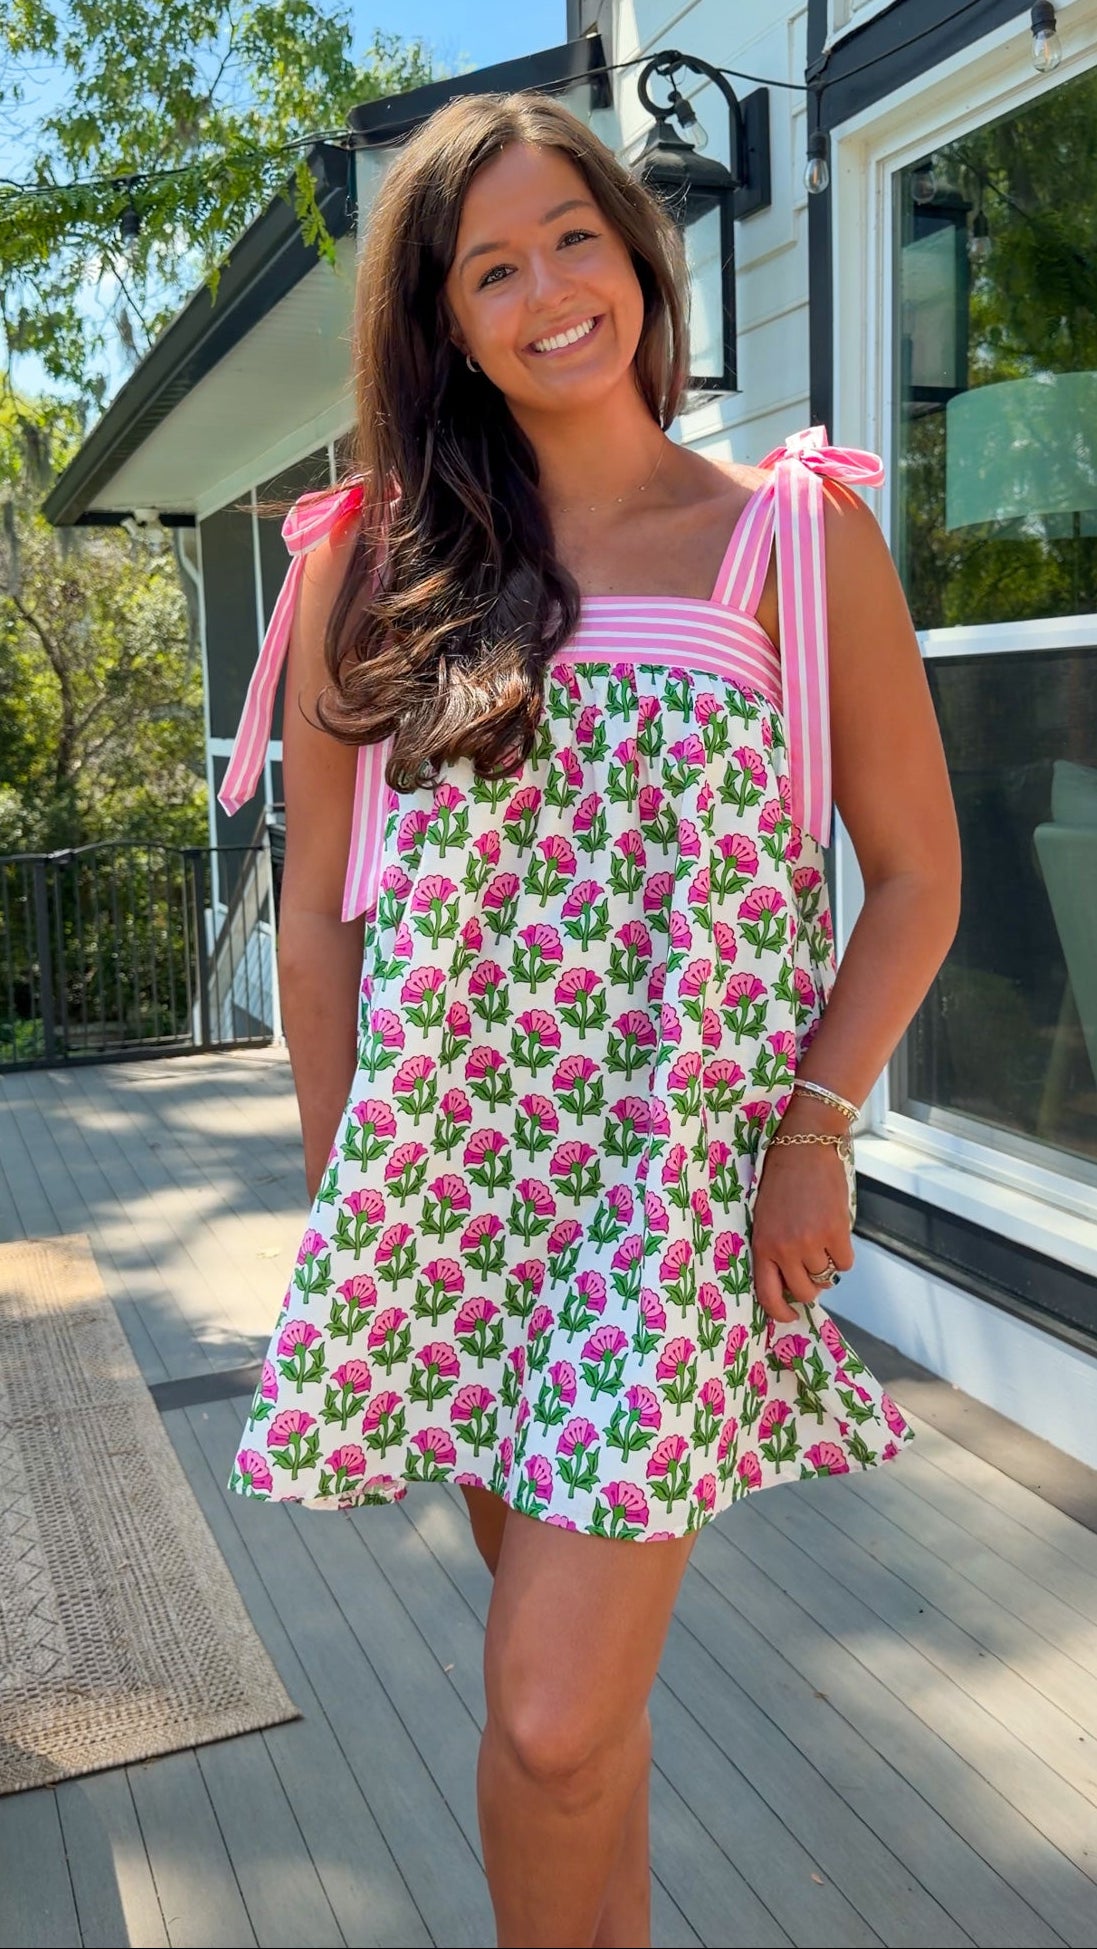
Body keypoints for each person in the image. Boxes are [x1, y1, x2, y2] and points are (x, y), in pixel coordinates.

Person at [220, 90, 960, 1949]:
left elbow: (917, 875)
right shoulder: (365, 560)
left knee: (545, 1718)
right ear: (443, 318)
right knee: (584, 1723)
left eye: (575, 239)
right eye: (491, 266)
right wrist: (352, 1194)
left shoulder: (792, 539)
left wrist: (815, 1125)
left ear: (639, 259)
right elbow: (316, 910)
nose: (548, 290)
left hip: (672, 1184)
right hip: (455, 1176)